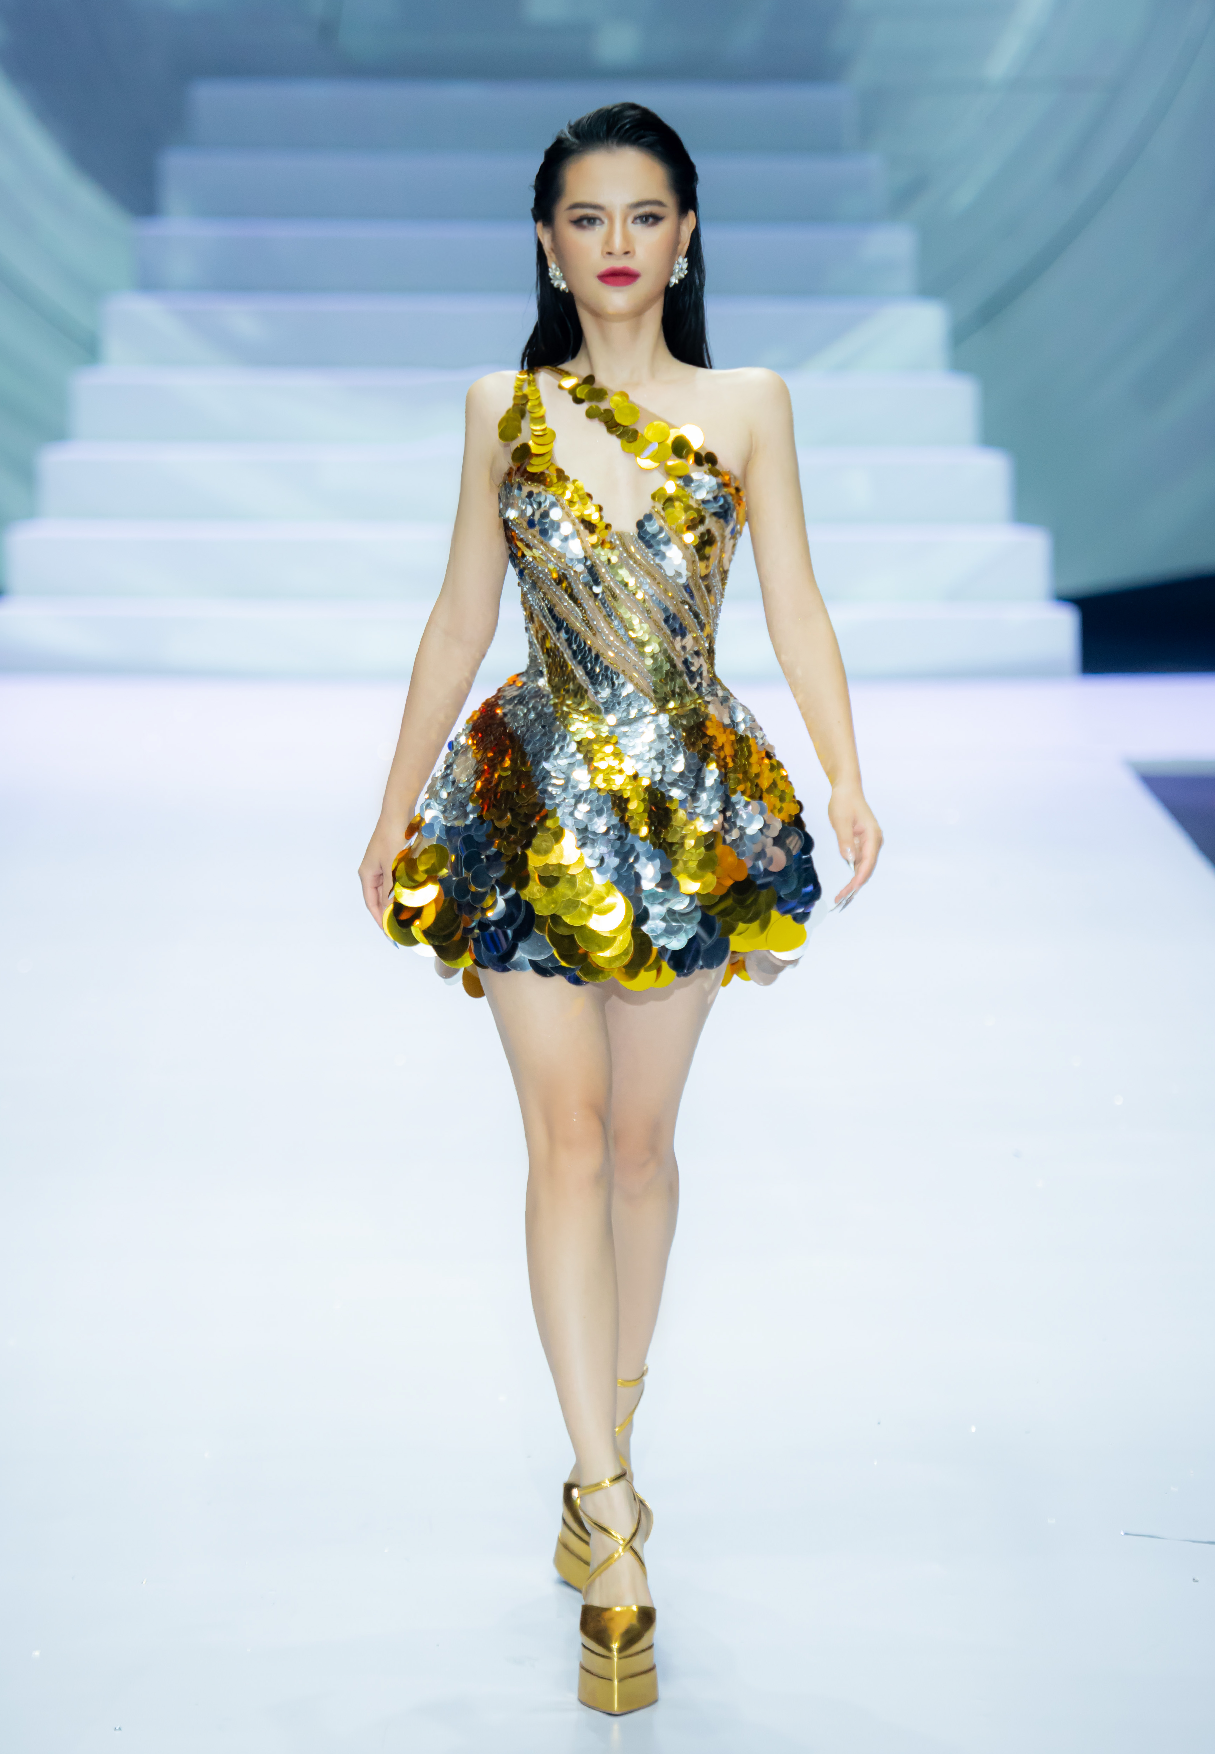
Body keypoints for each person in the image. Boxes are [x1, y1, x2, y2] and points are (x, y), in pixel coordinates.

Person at [358, 101, 882, 1715]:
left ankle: (614, 1434)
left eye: (645, 216)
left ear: (687, 235)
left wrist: (846, 776)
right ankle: (608, 1507)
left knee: (644, 1150)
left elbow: (795, 601)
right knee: (568, 1141)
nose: (616, 245)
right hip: (527, 807)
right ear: (545, 243)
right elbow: (462, 617)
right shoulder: (501, 408)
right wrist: (392, 803)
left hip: (684, 815)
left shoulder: (749, 404)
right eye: (586, 219)